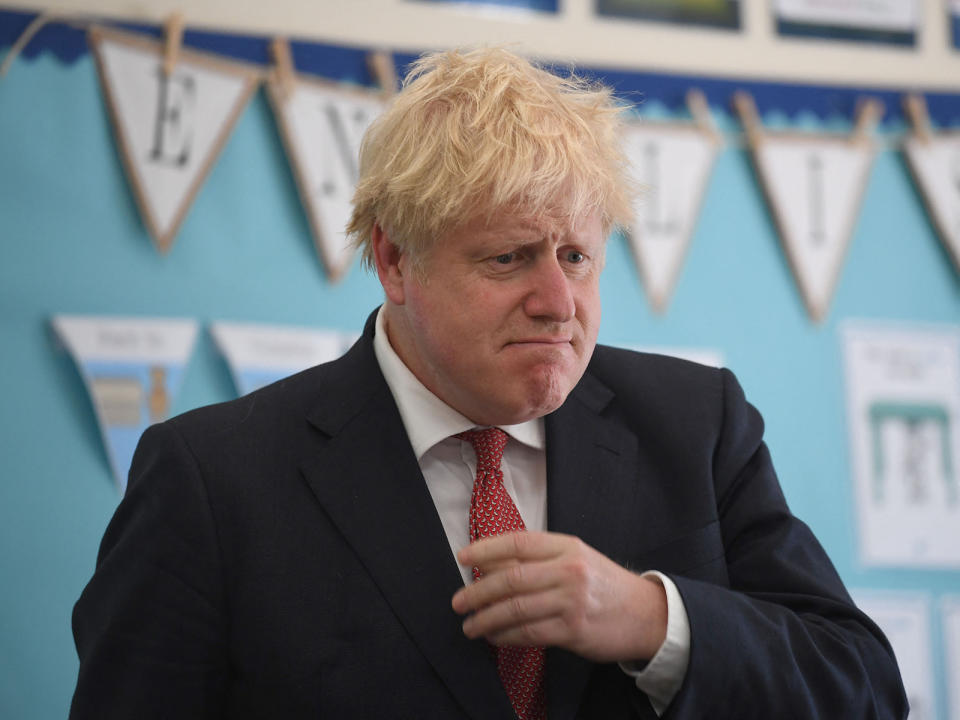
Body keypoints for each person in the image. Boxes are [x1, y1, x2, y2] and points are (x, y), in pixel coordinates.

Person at [70, 47, 907, 719]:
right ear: (395, 260)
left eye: (577, 256)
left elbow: (864, 689)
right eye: (508, 258)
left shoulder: (696, 424)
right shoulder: (214, 480)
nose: (557, 302)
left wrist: (653, 620)